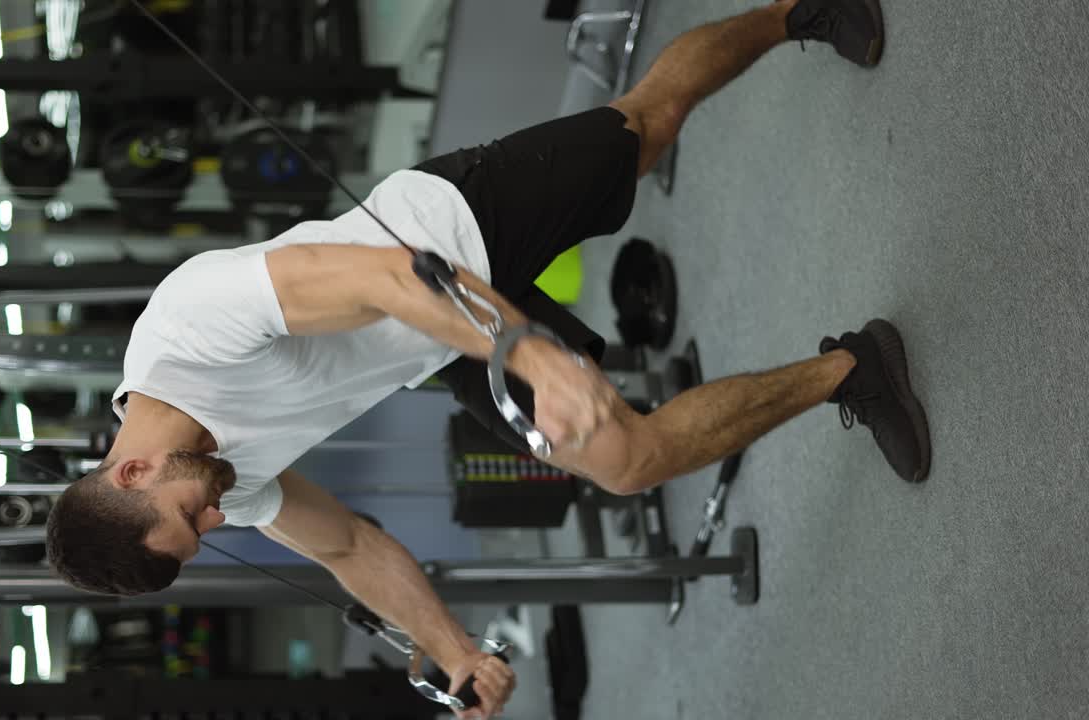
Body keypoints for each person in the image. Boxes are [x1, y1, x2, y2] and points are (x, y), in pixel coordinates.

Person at [47, 0, 926, 717]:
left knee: (646, 124)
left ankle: (798, 12)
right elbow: (348, 546)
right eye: (201, 535)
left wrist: (534, 358)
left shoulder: (191, 327)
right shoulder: (215, 482)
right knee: (626, 463)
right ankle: (854, 369)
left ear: (130, 472)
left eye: (189, 516)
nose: (215, 520)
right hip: (434, 345)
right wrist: (454, 651)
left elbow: (392, 276)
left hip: (445, 229)